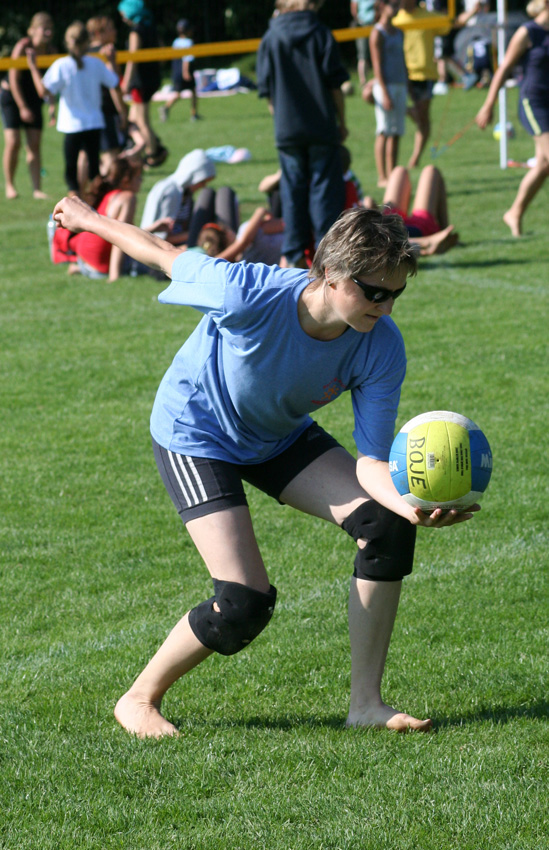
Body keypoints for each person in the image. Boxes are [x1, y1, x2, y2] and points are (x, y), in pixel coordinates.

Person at [51, 192, 479, 739]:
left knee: (386, 525)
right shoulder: (246, 293)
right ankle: (138, 698)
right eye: (374, 292)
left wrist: (409, 506)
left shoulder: (380, 346)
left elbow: (371, 458)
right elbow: (162, 252)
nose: (386, 307)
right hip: (196, 432)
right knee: (244, 601)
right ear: (329, 273)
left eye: (396, 294)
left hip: (275, 435)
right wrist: (87, 219)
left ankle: (366, 703)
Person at [257, 0, 349, 268]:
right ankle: (326, 258)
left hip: (288, 128)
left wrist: (282, 121)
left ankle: (292, 256)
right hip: (321, 125)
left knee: (292, 191)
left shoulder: (271, 37)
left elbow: (268, 93)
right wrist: (342, 120)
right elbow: (335, 85)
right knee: (324, 191)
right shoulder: (321, 33)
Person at [475, 0, 549, 236]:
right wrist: (488, 105)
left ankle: (514, 213)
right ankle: (514, 213)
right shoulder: (528, 31)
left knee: (544, 165)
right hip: (533, 102)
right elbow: (504, 68)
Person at [27, 21, 126, 196]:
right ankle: (97, 204)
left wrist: (33, 67)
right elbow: (115, 83)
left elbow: (43, 91)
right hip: (94, 122)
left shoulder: (62, 65)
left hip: (72, 125)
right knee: (94, 169)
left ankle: (76, 205)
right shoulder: (95, 63)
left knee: (71, 171)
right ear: (87, 42)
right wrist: (112, 61)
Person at [1, 12, 55, 200]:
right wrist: (22, 107)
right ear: (32, 30)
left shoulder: (51, 51)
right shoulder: (23, 46)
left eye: (50, 27)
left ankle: (37, 189)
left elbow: (51, 83)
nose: (47, 31)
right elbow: (13, 79)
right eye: (43, 27)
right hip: (12, 96)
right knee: (13, 142)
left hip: (34, 98)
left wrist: (52, 104)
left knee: (34, 144)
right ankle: (10, 186)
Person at [392, 0, 451, 168]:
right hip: (401, 73)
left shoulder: (428, 16)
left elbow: (451, 23)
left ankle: (415, 158)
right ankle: (411, 112)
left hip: (424, 74)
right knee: (407, 111)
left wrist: (472, 12)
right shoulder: (395, 19)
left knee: (423, 118)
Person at [363, 164, 459, 255]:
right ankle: (442, 235)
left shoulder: (349, 182)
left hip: (390, 223)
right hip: (415, 230)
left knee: (399, 171)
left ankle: (445, 236)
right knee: (431, 171)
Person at [117, 0, 167, 168]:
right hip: (152, 78)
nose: (123, 19)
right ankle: (150, 145)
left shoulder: (135, 32)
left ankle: (154, 154)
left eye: (123, 14)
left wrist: (126, 82)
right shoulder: (151, 28)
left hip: (141, 82)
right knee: (133, 118)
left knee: (141, 121)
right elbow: (161, 52)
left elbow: (133, 59)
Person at [139, 149, 216, 246]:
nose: (203, 186)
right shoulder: (171, 191)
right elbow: (161, 237)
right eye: (202, 182)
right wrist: (196, 235)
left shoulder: (186, 193)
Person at [369, 0, 408, 187]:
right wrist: (384, 92)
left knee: (396, 132)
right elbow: (377, 66)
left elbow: (402, 62)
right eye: (392, 4)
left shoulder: (399, 32)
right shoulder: (377, 33)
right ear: (382, 6)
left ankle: (393, 175)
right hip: (385, 86)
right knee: (384, 130)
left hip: (400, 84)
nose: (396, 7)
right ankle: (382, 176)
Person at [85, 16, 127, 176]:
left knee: (88, 156)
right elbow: (113, 85)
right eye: (110, 28)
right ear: (98, 33)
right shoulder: (105, 54)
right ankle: (105, 190)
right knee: (111, 155)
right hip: (106, 110)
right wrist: (122, 111)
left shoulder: (84, 54)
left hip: (88, 111)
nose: (115, 31)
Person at [159, 19, 200, 123]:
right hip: (184, 71)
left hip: (176, 71)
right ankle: (193, 114)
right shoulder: (188, 42)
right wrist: (186, 72)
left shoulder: (175, 42)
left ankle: (192, 113)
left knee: (185, 92)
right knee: (190, 92)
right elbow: (187, 58)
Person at [351, 0, 376, 87]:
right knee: (363, 56)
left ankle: (378, 79)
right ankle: (363, 82)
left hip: (376, 26)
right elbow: (354, 9)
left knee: (378, 54)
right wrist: (360, 21)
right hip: (363, 27)